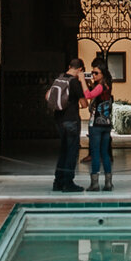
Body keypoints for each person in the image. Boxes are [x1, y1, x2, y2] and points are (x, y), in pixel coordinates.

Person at [48, 57, 86, 192]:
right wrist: (82, 82)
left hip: (59, 120)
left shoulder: (59, 78)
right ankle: (68, 183)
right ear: (80, 69)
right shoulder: (74, 82)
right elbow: (84, 104)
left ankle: (58, 181)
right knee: (71, 152)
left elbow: (48, 96)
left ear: (70, 66)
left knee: (63, 151)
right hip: (71, 120)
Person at [83, 62, 115, 192]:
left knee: (96, 153)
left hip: (96, 124)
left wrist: (82, 81)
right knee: (105, 153)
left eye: (96, 73)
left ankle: (95, 184)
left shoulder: (101, 86)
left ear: (102, 74)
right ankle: (108, 183)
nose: (93, 75)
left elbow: (88, 95)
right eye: (92, 73)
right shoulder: (108, 85)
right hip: (106, 124)